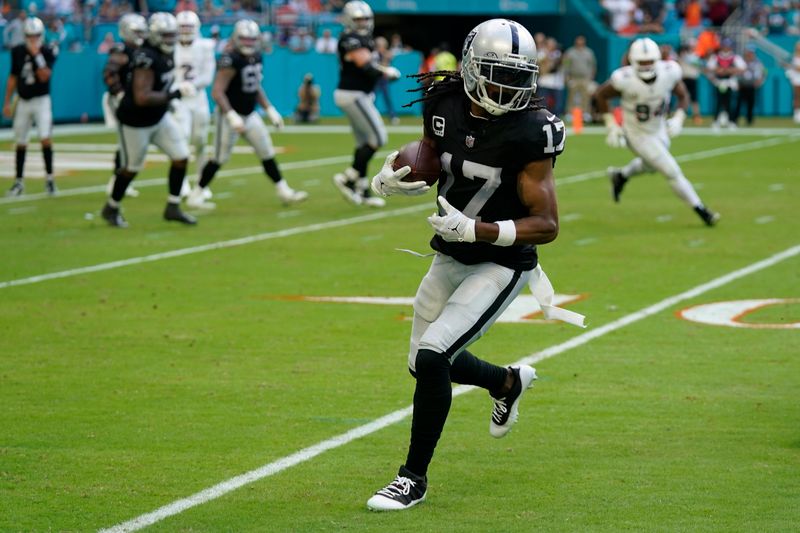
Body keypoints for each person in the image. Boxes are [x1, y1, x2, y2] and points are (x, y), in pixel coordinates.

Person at [366, 18, 582, 511]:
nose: (507, 87)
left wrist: (478, 230)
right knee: (422, 363)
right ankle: (507, 381)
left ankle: (411, 478)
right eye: (495, 73)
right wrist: (395, 176)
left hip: (501, 262)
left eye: (517, 76)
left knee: (434, 355)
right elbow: (430, 154)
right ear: (468, 67)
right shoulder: (443, 100)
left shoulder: (533, 130)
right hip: (450, 252)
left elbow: (546, 223)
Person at [595, 37, 720, 227]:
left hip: (659, 129)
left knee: (651, 165)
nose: (646, 66)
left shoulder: (669, 72)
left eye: (649, 62)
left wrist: (679, 116)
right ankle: (702, 211)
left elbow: (683, 94)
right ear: (632, 61)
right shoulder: (624, 78)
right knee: (671, 171)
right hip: (636, 134)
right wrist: (611, 123)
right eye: (642, 62)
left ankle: (621, 176)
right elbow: (600, 94)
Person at [186, 19, 308, 210]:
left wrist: (269, 108)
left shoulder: (256, 56)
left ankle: (283, 190)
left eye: (252, 39)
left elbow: (255, 86)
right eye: (245, 39)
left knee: (266, 151)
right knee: (219, 157)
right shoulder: (230, 58)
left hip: (250, 114)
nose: (249, 43)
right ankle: (196, 193)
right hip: (228, 116)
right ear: (236, 38)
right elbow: (217, 91)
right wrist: (231, 115)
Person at [100, 12, 198, 228]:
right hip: (135, 121)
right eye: (165, 35)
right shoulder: (146, 57)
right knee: (131, 168)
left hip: (159, 116)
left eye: (173, 35)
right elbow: (142, 97)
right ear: (154, 35)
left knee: (181, 156)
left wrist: (169, 98)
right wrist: (175, 94)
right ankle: (111, 207)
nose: (171, 40)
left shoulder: (167, 53)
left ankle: (173, 206)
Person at [331, 0, 400, 208]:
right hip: (353, 94)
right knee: (378, 137)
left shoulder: (363, 38)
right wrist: (386, 71)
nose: (362, 23)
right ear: (349, 20)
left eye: (365, 19)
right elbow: (365, 64)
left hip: (360, 94)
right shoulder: (350, 38)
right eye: (358, 19)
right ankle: (348, 177)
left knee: (364, 143)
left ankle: (361, 189)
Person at [3, 16, 57, 197]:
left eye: (36, 35)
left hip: (41, 100)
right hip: (23, 100)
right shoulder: (17, 51)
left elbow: (44, 76)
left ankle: (49, 179)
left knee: (45, 138)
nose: (33, 39)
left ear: (41, 35)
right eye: (29, 35)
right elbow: (13, 77)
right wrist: (7, 101)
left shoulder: (48, 50)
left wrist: (36, 55)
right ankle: (19, 182)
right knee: (20, 142)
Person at [102, 12, 148, 199]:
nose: (139, 35)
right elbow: (108, 74)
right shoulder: (121, 51)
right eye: (136, 31)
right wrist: (119, 93)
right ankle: (116, 181)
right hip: (119, 100)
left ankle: (119, 180)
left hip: (131, 101)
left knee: (128, 144)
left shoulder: (142, 50)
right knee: (125, 143)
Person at [173, 11, 215, 194]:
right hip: (179, 100)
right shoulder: (171, 46)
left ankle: (201, 183)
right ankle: (181, 182)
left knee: (200, 141)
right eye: (182, 27)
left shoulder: (204, 46)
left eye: (188, 27)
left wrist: (192, 85)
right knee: (182, 139)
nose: (185, 31)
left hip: (198, 99)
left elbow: (207, 76)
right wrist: (178, 88)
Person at [706, 38, 745, 130]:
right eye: (724, 46)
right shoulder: (716, 57)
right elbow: (709, 68)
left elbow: (743, 68)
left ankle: (731, 121)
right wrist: (718, 70)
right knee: (718, 102)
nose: (726, 48)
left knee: (730, 102)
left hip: (730, 82)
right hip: (719, 82)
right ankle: (716, 121)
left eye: (728, 46)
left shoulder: (735, 57)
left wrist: (729, 70)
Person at [562, 35, 596, 120]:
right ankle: (570, 113)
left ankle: (585, 113)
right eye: (578, 41)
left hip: (585, 78)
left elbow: (592, 65)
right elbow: (566, 65)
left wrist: (591, 77)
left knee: (585, 96)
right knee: (571, 97)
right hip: (574, 77)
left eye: (582, 41)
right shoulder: (570, 52)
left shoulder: (589, 52)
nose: (580, 43)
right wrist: (567, 77)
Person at [734, 47, 765, 126]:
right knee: (738, 104)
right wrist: (736, 83)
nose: (749, 55)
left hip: (751, 85)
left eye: (751, 53)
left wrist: (759, 82)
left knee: (750, 104)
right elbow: (736, 72)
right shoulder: (740, 61)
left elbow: (762, 73)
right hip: (742, 85)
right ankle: (735, 119)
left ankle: (749, 120)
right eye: (748, 53)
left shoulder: (757, 62)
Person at [677, 43, 703, 124]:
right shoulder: (681, 57)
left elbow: (698, 65)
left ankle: (696, 116)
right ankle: (680, 116)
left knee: (694, 99)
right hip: (684, 78)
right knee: (682, 97)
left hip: (692, 78)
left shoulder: (695, 56)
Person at [786, 41, 800, 123]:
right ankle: (796, 114)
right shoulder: (793, 57)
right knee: (797, 97)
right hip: (796, 79)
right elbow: (793, 68)